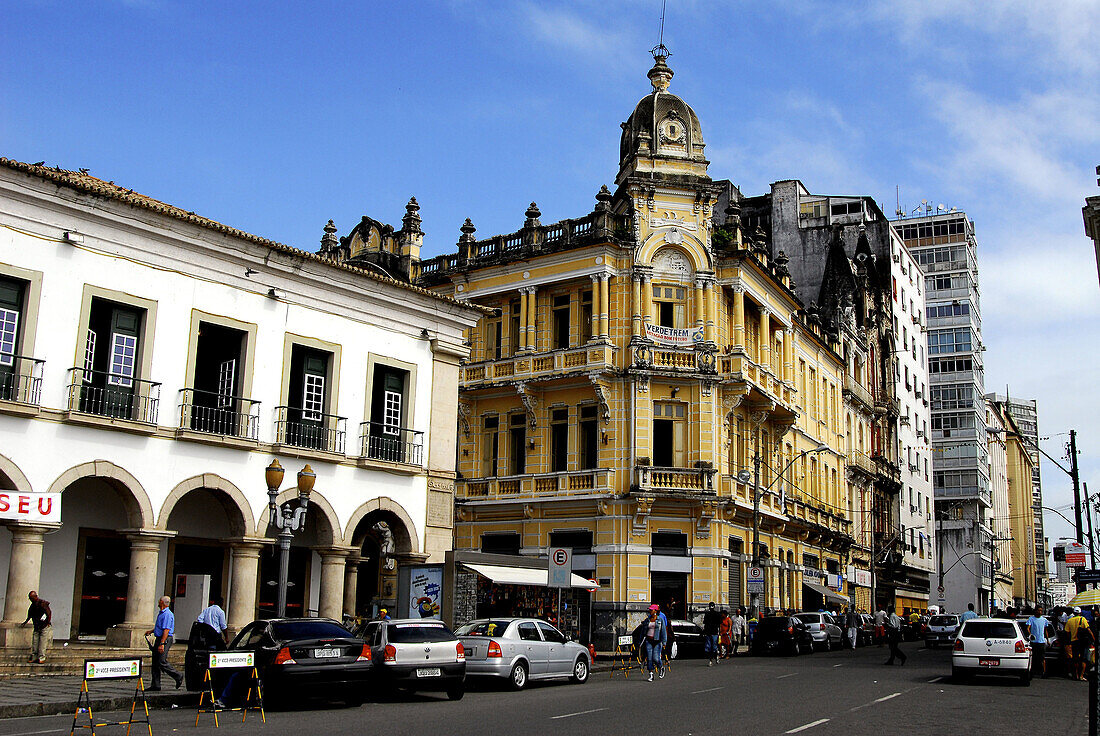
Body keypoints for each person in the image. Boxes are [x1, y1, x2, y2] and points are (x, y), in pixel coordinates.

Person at [144, 596, 183, 691]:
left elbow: (166, 630)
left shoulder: (167, 614)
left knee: (161, 661)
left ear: (162, 602)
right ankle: (155, 684)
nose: (158, 602)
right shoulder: (161, 613)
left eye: (159, 600)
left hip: (164, 639)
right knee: (155, 662)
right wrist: (152, 631)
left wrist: (162, 643)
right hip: (160, 638)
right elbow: (161, 627)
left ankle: (178, 675)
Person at [22, 591, 51, 664]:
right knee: (35, 642)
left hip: (44, 625)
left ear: (36, 596)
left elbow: (48, 613)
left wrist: (47, 622)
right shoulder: (33, 605)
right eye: (30, 598)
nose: (31, 599)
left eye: (32, 598)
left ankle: (41, 657)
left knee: (42, 643)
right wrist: (26, 621)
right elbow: (30, 614)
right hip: (37, 625)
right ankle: (34, 657)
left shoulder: (42, 603)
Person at [1025, 606, 1053, 678]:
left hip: (1041, 641)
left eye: (1041, 610)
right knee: (1033, 657)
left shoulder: (1044, 620)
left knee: (1042, 658)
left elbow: (1045, 630)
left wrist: (1047, 640)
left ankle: (1043, 672)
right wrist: (1030, 635)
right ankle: (1031, 672)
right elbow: (1028, 628)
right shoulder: (1031, 619)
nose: (1040, 612)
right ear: (1035, 611)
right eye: (1038, 610)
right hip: (1034, 641)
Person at [641, 605, 665, 682]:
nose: (650, 611)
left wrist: (664, 642)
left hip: (657, 641)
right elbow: (643, 630)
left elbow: (663, 631)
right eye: (650, 610)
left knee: (656, 658)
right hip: (649, 640)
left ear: (655, 611)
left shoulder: (660, 619)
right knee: (649, 658)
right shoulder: (648, 620)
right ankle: (651, 674)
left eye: (651, 610)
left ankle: (661, 667)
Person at [1066, 606, 1091, 681]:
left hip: (1074, 642)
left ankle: (1075, 675)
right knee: (1083, 659)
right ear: (1080, 613)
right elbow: (1088, 630)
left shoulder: (1069, 621)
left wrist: (1068, 642)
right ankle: (1081, 675)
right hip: (1082, 642)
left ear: (1073, 613)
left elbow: (1067, 632)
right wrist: (1093, 638)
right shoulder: (1083, 619)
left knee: (1075, 659)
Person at [702, 602, 721, 666]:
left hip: (713, 632)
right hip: (709, 632)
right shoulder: (708, 614)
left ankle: (714, 657)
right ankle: (711, 659)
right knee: (709, 647)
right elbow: (705, 624)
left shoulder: (716, 614)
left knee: (713, 647)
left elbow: (719, 624)